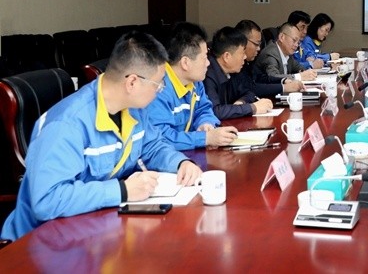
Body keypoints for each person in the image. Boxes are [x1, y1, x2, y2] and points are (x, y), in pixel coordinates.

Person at [1, 31, 202, 241]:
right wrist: (123, 190)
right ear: (132, 83)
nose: (160, 90)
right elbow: (47, 201)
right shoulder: (67, 124)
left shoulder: (134, 108)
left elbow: (152, 145)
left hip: (94, 229)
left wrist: (180, 163)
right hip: (41, 242)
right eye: (158, 85)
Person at [147, 22, 239, 150]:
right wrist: (205, 138)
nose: (208, 63)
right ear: (185, 62)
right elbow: (161, 138)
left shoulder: (195, 82)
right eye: (204, 58)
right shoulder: (157, 88)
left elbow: (204, 109)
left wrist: (205, 123)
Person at [204, 26, 274, 120]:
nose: (245, 57)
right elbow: (215, 112)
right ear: (227, 56)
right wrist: (252, 108)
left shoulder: (232, 71)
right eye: (242, 53)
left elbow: (249, 92)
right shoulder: (208, 75)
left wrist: (241, 103)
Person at [232, 19, 303, 99]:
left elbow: (260, 78)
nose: (259, 48)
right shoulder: (270, 53)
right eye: (256, 44)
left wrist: (282, 80)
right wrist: (284, 87)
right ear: (242, 42)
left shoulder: (247, 62)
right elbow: (251, 87)